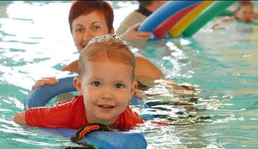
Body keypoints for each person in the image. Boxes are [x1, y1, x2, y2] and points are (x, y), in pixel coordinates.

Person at [32, 0, 165, 99]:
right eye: (79, 29)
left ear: (111, 33)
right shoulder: (68, 74)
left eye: (95, 28)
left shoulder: (138, 65)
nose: (87, 37)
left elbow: (175, 96)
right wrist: (39, 91)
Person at [13, 34, 144, 131]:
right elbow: (20, 118)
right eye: (97, 84)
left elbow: (154, 130)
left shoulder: (129, 119)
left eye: (118, 85)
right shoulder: (64, 113)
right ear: (80, 86)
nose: (107, 95)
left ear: (131, 91)